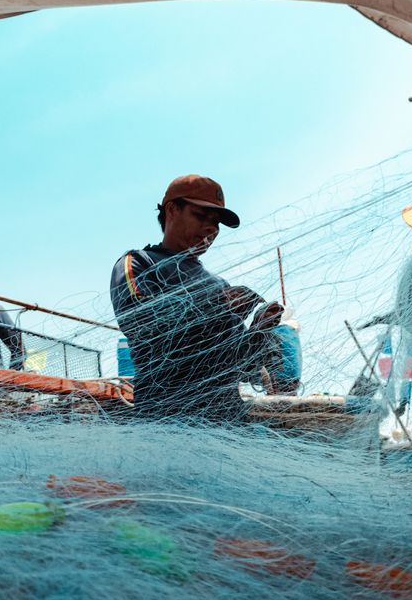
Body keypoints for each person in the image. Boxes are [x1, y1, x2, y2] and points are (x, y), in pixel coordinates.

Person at [111, 175, 283, 420]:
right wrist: (218, 305)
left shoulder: (219, 284)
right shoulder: (140, 262)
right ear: (172, 209)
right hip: (166, 420)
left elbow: (241, 366)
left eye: (216, 223)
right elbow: (138, 320)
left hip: (226, 421)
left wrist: (259, 330)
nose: (211, 228)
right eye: (201, 216)